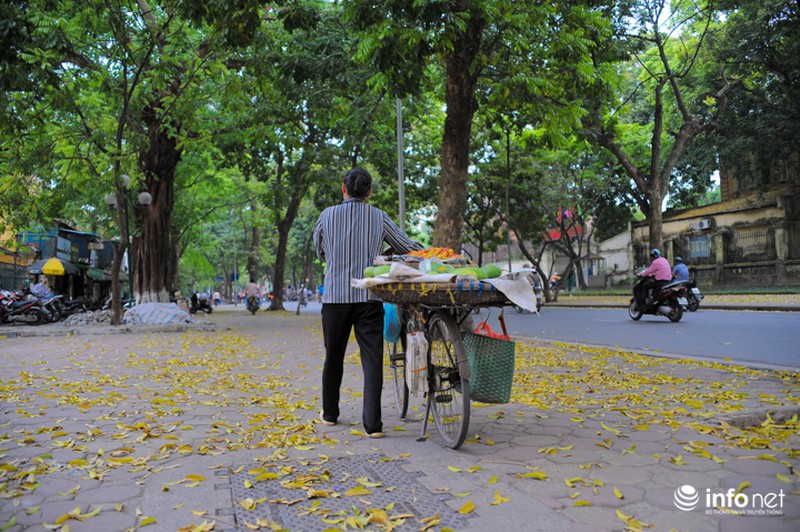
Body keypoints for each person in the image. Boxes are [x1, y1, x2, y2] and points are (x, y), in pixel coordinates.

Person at [313, 167, 422, 439]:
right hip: (368, 297)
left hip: (335, 297)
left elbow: (320, 250)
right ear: (369, 191)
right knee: (372, 361)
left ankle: (330, 414)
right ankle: (373, 426)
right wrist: (428, 251)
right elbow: (405, 246)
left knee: (333, 356)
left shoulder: (326, 215)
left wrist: (339, 260)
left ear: (344, 189)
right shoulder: (379, 217)